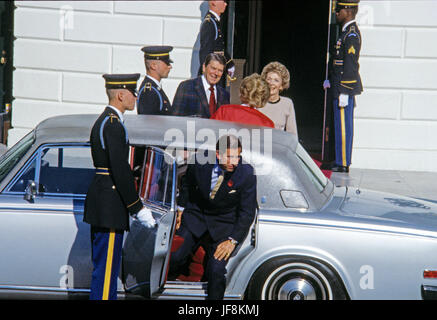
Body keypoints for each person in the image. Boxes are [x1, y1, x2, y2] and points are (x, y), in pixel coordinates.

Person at [84, 73, 156, 300]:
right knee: (106, 273)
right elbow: (119, 170)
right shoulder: (113, 124)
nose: (135, 97)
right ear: (121, 95)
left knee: (104, 269)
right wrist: (137, 208)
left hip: (105, 202)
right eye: (132, 93)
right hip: (110, 206)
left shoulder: (107, 121)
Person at [169, 135, 257, 300]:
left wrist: (232, 240)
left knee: (216, 270)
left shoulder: (246, 173)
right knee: (174, 256)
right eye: (230, 157)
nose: (235, 162)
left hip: (224, 224)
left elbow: (247, 212)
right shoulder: (199, 161)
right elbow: (187, 184)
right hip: (196, 216)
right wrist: (180, 209)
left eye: (238, 156)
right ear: (218, 154)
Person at [323, 0, 363, 173]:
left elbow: (351, 65)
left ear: (348, 11)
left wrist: (345, 90)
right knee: (338, 126)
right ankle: (339, 159)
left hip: (343, 88)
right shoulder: (345, 32)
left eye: (339, 9)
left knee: (344, 126)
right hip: (338, 86)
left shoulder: (351, 34)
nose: (336, 13)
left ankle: (344, 162)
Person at [173, 53, 230, 118]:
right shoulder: (186, 87)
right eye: (213, 68)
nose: (216, 73)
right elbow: (175, 118)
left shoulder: (224, 95)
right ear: (204, 67)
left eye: (220, 70)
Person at [199, 0, 235, 88]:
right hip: (212, 76)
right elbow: (205, 53)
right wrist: (208, 76)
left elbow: (220, 48)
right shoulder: (209, 23)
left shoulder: (215, 21)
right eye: (223, 1)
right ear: (213, 2)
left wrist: (229, 63)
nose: (226, 4)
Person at [260, 61, 298, 136]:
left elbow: (292, 134)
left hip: (278, 146)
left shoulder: (287, 103)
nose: (271, 83)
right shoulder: (257, 101)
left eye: (276, 80)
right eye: (269, 79)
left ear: (281, 85)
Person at [137, 46, 173, 115]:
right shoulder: (149, 91)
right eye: (167, 63)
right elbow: (149, 123)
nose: (170, 66)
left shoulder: (154, 88)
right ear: (153, 66)